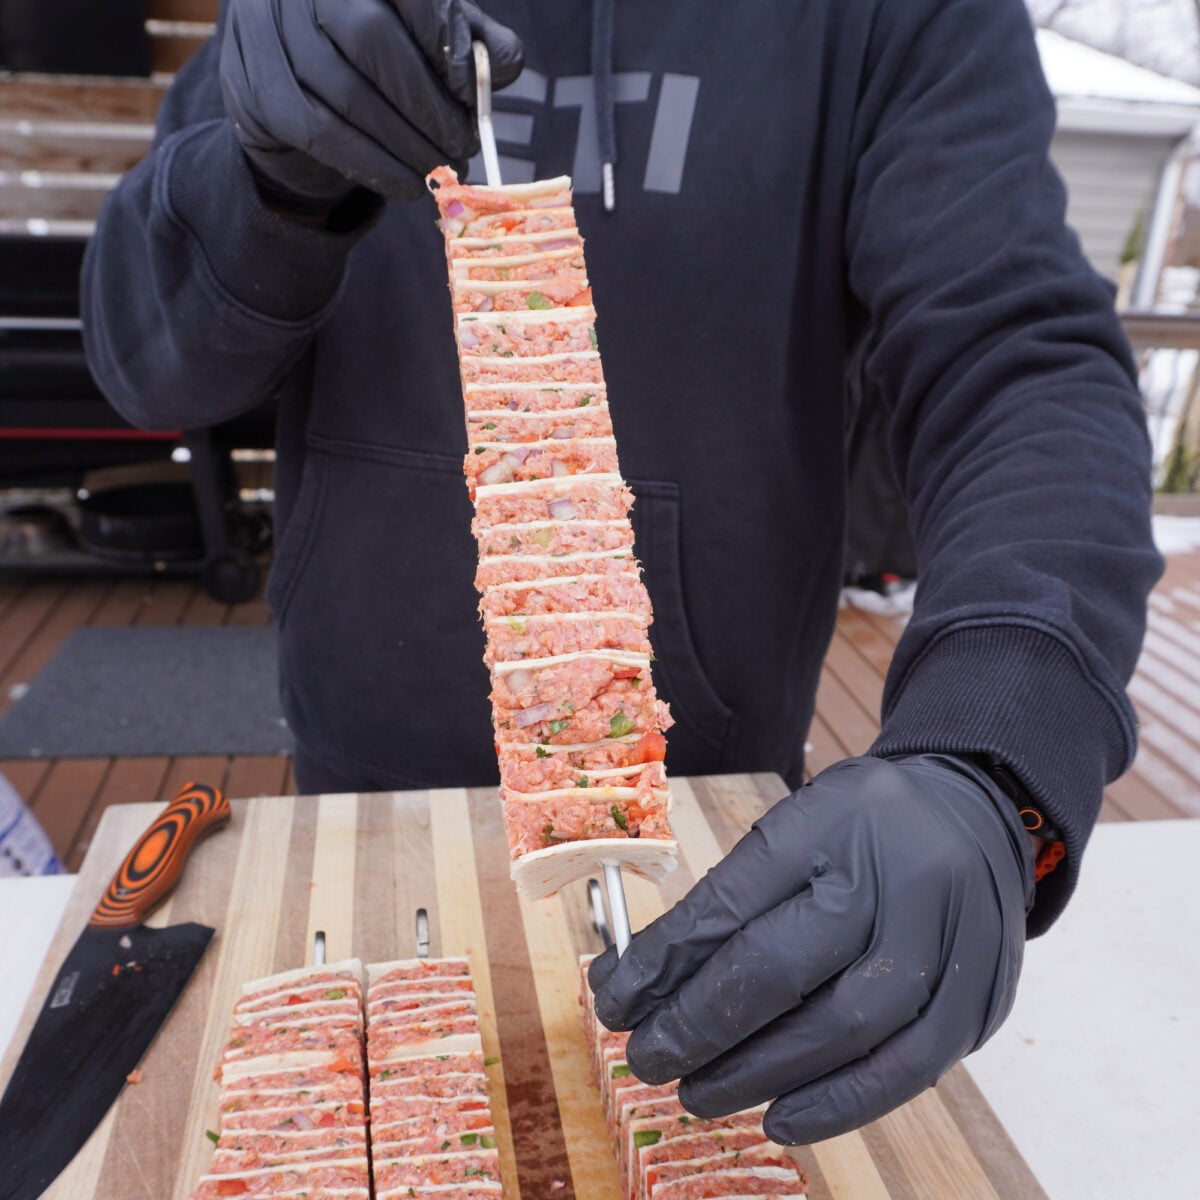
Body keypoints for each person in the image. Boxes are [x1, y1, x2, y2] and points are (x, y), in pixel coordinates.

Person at [81, 0, 1162, 1146]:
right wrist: (267, 184)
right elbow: (147, 368)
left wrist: (996, 735)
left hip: (726, 849)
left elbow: (1020, 360)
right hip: (351, 813)